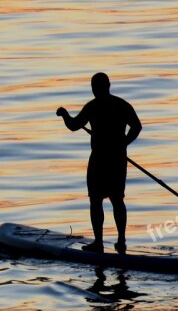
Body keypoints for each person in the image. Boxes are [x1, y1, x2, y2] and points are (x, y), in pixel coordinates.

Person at [56, 73, 142, 253]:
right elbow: (137, 126)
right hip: (116, 158)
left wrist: (64, 115)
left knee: (98, 200)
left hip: (102, 159)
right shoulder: (119, 105)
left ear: (99, 87)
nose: (95, 89)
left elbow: (73, 125)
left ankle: (101, 242)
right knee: (115, 199)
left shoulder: (94, 107)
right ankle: (119, 241)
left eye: (95, 86)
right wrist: (124, 143)